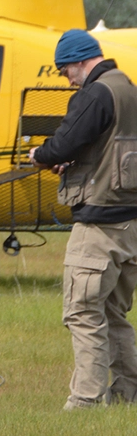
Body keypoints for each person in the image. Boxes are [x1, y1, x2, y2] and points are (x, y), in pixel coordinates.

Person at [29, 29, 137, 410]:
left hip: (99, 226)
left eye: (64, 71)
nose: (66, 79)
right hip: (132, 226)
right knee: (114, 313)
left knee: (83, 312)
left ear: (79, 61)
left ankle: (87, 401)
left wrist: (39, 155)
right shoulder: (129, 89)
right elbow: (106, 148)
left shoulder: (94, 94)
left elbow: (63, 143)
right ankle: (128, 396)